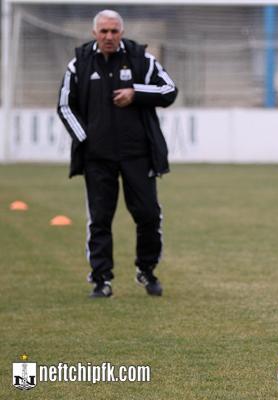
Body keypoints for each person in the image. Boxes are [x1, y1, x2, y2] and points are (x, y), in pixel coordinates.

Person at [57, 10, 177, 298]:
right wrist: (85, 138)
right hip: (97, 158)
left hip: (138, 155)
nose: (108, 36)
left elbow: (169, 90)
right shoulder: (79, 64)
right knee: (100, 219)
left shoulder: (141, 59)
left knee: (148, 215)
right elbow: (64, 106)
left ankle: (146, 270)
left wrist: (136, 93)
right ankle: (101, 279)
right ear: (94, 33)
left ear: (121, 33)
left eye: (114, 31)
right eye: (103, 31)